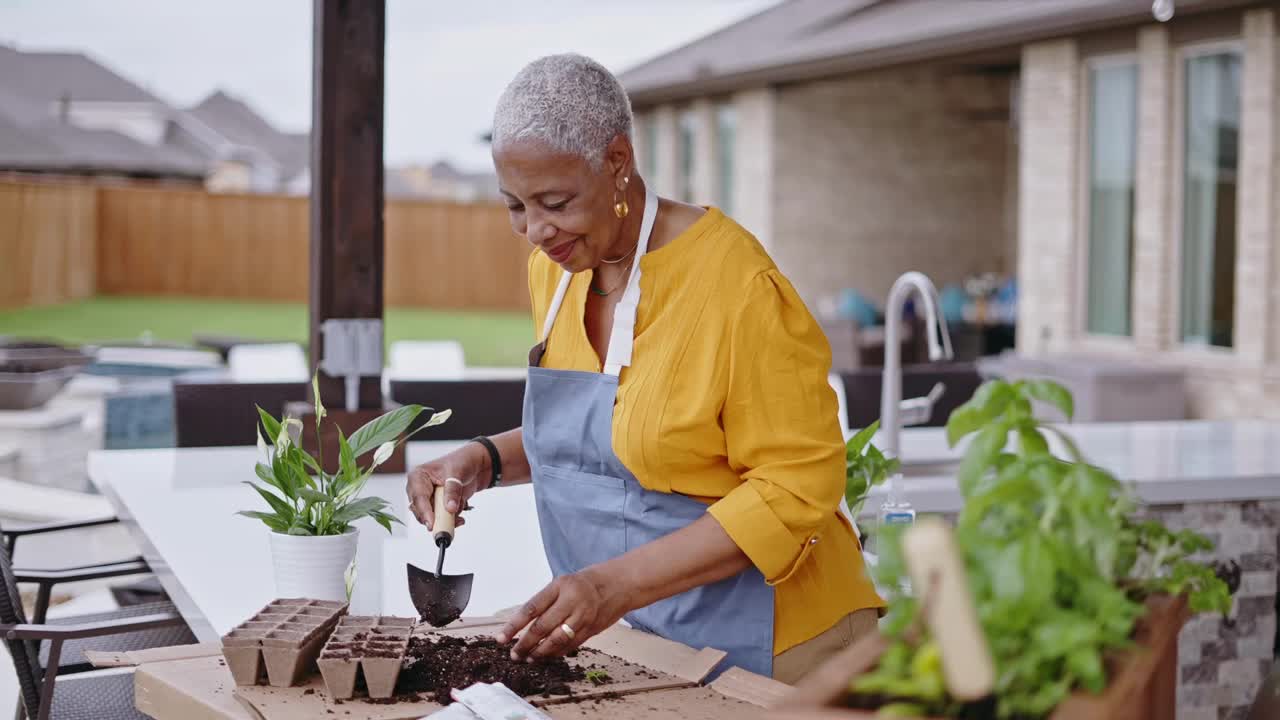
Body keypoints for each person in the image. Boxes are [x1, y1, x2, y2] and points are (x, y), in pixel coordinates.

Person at [406, 53, 882, 684]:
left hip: (787, 648)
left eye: (554, 201)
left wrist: (613, 586)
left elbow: (797, 488)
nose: (536, 231)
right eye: (515, 206)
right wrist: (483, 460)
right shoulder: (557, 270)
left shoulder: (738, 285)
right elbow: (623, 433)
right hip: (653, 637)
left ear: (618, 162)